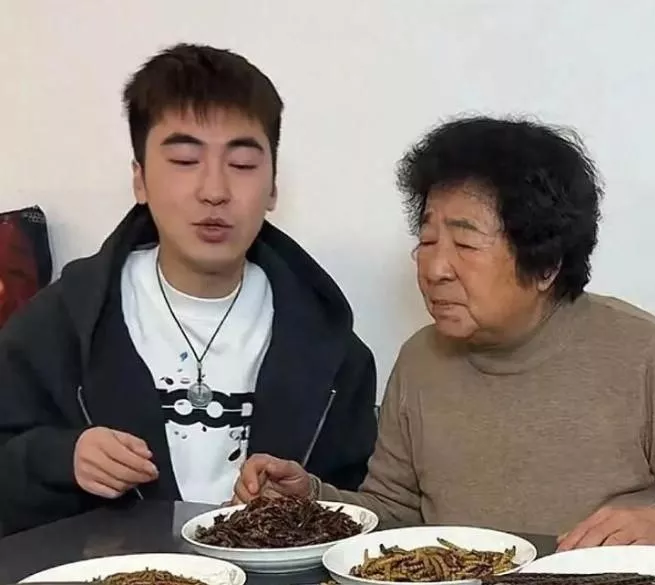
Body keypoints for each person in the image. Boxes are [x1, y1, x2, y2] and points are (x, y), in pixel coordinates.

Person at [234, 116, 655, 557]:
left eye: (466, 243)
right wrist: (312, 500)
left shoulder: (642, 352)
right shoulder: (421, 359)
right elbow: (395, 513)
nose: (434, 268)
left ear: (546, 265)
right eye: (427, 239)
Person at [0, 43, 377, 536]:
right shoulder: (57, 327)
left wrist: (306, 498)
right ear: (139, 179)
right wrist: (60, 458)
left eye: (242, 164)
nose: (214, 190)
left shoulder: (334, 351)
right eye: (184, 160)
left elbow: (362, 514)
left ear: (272, 187)